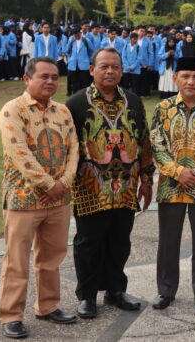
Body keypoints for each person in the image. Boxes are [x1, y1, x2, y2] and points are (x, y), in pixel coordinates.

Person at [65, 47, 155, 319]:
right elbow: (68, 148)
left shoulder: (134, 101)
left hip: (126, 187)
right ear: (92, 69)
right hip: (90, 188)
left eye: (115, 66)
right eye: (103, 66)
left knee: (119, 241)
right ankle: (87, 296)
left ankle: (116, 290)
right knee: (89, 242)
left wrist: (147, 179)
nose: (110, 71)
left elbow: (144, 142)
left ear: (122, 70)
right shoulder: (76, 104)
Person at [0, 57, 79, 339]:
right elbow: (19, 153)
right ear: (27, 79)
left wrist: (64, 183)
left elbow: (73, 151)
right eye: (43, 76)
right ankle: (11, 315)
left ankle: (47, 306)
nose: (50, 82)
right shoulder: (12, 111)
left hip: (58, 200)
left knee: (52, 258)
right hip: (23, 199)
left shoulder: (63, 112)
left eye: (55, 77)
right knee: (16, 260)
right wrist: (49, 184)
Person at [150, 56, 195, 311]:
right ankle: (166, 291)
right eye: (185, 76)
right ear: (175, 78)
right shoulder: (163, 109)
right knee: (168, 242)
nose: (190, 81)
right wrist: (177, 171)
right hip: (170, 187)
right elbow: (156, 145)